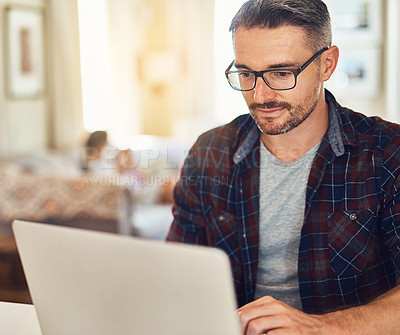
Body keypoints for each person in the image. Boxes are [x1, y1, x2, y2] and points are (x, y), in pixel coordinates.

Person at [167, 0, 400, 334]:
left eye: (281, 73)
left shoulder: (388, 153)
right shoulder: (209, 152)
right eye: (246, 73)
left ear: (327, 64)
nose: (260, 96)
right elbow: (176, 273)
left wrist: (321, 328)